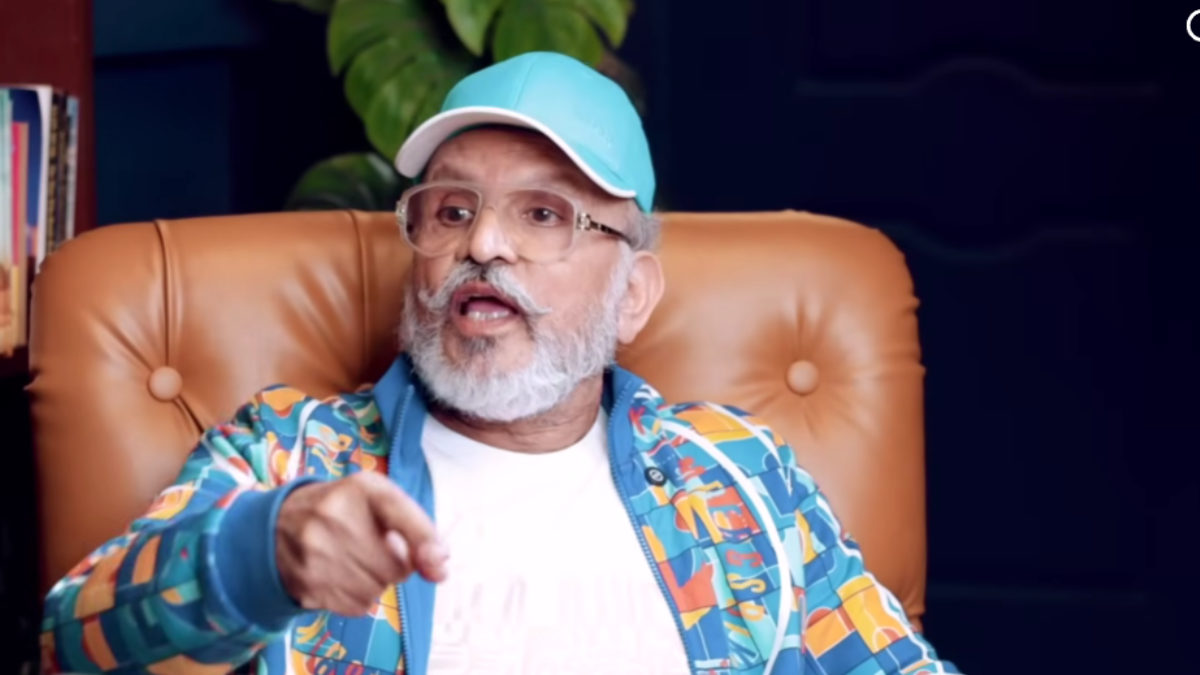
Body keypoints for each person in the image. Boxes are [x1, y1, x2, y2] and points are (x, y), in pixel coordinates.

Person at [39, 52, 958, 675]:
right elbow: (71, 644)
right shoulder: (289, 453)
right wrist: (257, 557)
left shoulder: (738, 474)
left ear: (634, 295)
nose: (481, 243)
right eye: (450, 210)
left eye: (544, 214)